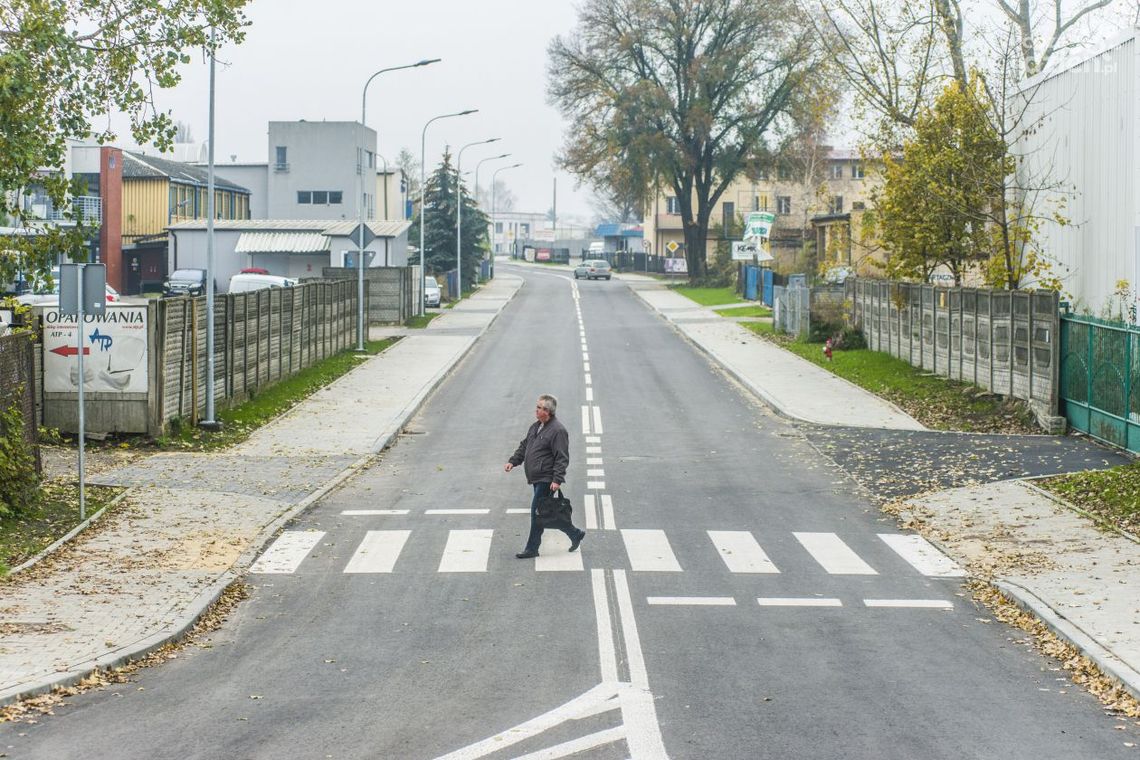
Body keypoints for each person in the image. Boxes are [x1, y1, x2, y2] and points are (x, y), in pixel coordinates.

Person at [504, 394, 585, 558]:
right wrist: (513, 461)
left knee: (537, 513)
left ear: (547, 411)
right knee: (545, 513)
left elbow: (562, 457)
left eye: (540, 408)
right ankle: (574, 533)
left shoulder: (558, 431)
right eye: (537, 407)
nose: (536, 410)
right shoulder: (536, 426)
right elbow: (525, 445)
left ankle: (532, 549)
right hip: (537, 477)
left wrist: (557, 479)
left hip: (546, 479)